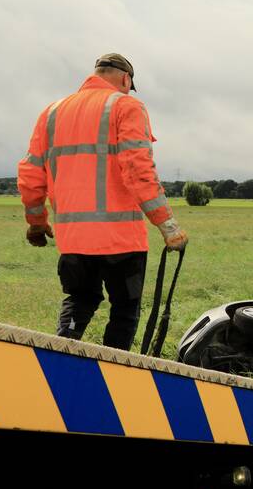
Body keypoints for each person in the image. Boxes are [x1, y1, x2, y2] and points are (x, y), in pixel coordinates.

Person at [17, 53, 188, 350]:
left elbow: (31, 174)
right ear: (126, 79)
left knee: (79, 301)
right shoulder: (127, 106)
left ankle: (60, 358)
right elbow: (138, 170)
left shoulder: (51, 113)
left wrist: (36, 223)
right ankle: (113, 376)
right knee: (124, 309)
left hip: (74, 239)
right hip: (121, 240)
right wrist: (168, 227)